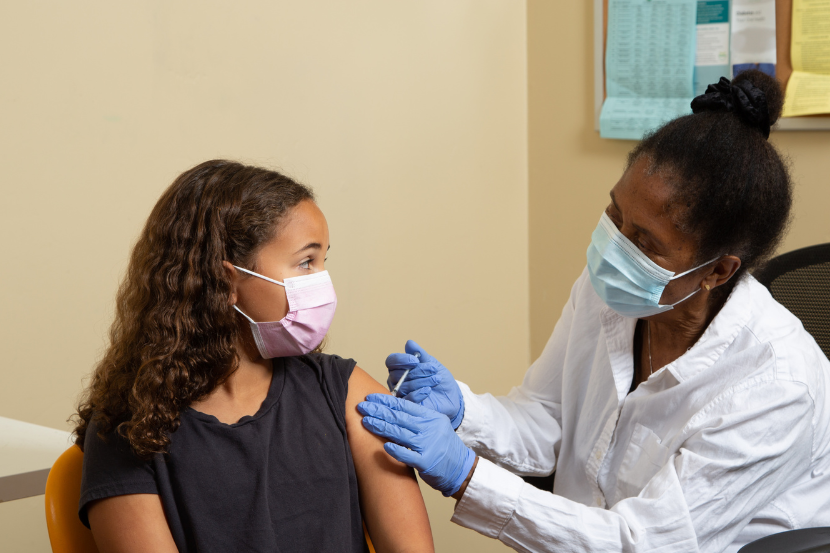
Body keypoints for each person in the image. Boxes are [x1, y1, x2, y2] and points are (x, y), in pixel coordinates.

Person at [359, 70, 830, 552]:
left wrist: (467, 477)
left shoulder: (777, 387)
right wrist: (464, 411)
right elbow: (547, 420)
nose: (615, 248)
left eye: (646, 241)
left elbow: (640, 543)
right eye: (615, 214)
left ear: (718, 271)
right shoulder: (613, 289)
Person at [73, 160, 434, 553]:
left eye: (323, 260)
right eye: (306, 262)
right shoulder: (132, 429)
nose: (322, 281)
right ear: (226, 280)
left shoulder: (344, 392)